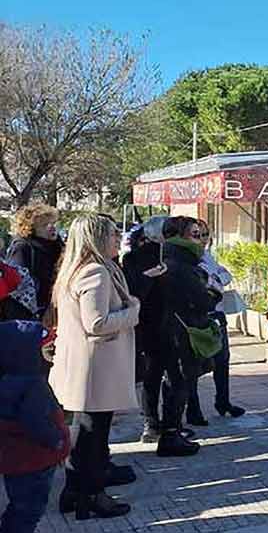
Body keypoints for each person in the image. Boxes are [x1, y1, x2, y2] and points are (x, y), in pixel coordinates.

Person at [46, 215, 140, 519]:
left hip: (89, 367)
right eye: (113, 234)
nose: (118, 238)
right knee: (92, 438)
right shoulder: (95, 272)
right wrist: (133, 311)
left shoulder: (80, 269)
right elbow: (97, 323)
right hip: (96, 369)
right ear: (97, 238)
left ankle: (75, 493)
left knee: (85, 434)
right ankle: (92, 495)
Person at [152, 217, 215, 456]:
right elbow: (200, 299)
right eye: (194, 234)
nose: (200, 240)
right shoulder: (178, 262)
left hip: (175, 328)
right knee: (178, 383)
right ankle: (170, 434)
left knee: (178, 382)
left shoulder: (177, 259)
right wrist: (212, 294)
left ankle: (173, 430)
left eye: (201, 234)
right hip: (178, 330)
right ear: (179, 236)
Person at [1, 320, 70, 532]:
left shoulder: (6, 380)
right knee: (31, 508)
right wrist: (57, 440)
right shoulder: (32, 386)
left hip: (12, 460)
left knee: (17, 503)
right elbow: (37, 423)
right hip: (36, 459)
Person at [188, 220, 245, 420]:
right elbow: (206, 281)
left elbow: (224, 275)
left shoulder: (207, 256)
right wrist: (216, 278)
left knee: (223, 360)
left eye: (205, 235)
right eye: (198, 235)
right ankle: (193, 408)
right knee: (195, 365)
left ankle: (223, 401)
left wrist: (216, 278)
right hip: (200, 315)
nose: (203, 240)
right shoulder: (189, 258)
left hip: (217, 312)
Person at [120, 218, 167, 444]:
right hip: (151, 321)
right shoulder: (135, 258)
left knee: (155, 374)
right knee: (156, 374)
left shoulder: (172, 254)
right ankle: (155, 421)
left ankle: (156, 421)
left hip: (155, 321)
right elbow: (133, 290)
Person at [6, 204, 64, 317]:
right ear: (30, 229)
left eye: (53, 223)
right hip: (33, 312)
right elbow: (18, 285)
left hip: (57, 306)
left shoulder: (57, 245)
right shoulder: (22, 247)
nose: (51, 227)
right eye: (44, 225)